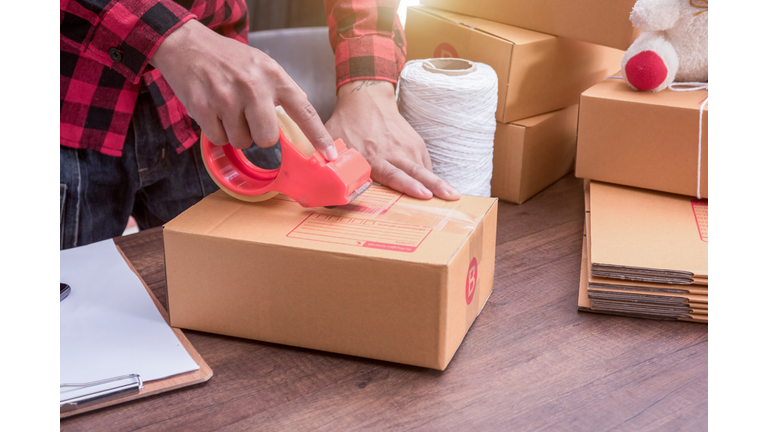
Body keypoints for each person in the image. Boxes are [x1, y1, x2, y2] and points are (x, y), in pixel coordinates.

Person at [60, 0, 460, 250]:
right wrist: (169, 37)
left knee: (241, 299)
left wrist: (367, 84)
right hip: (66, 104)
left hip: (227, 110)